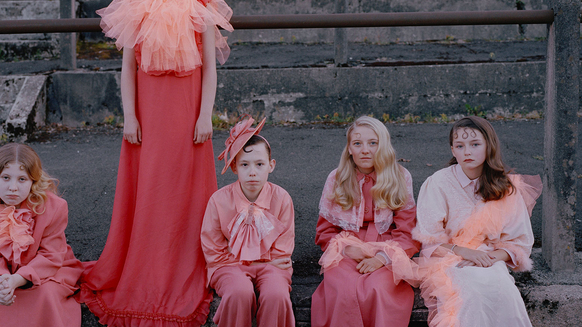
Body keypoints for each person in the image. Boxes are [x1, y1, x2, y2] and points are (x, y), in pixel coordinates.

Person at [78, 0, 233, 326]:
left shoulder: (201, 5)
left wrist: (205, 116)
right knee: (148, 189)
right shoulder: (137, 2)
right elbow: (127, 68)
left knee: (185, 191)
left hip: (187, 113)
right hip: (148, 114)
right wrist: (130, 116)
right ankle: (143, 265)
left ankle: (185, 266)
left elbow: (211, 71)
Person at [412, 116, 542, 327]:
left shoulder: (506, 187)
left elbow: (519, 242)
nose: (467, 152)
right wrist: (464, 252)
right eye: (460, 146)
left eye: (475, 144)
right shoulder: (437, 183)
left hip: (488, 257)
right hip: (449, 258)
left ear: (488, 146)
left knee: (503, 289)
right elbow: (429, 241)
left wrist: (487, 258)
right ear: (453, 150)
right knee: (468, 292)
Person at [311, 116, 420, 327]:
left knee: (377, 289)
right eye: (357, 143)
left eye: (373, 143)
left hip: (388, 248)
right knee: (344, 290)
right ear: (349, 148)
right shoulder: (337, 178)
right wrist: (346, 249)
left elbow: (407, 231)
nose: (365, 150)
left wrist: (382, 258)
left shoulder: (399, 177)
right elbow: (325, 230)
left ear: (383, 146)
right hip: (346, 246)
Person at [0, 143, 82, 327]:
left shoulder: (54, 208)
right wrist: (1, 280)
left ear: (33, 182)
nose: (12, 187)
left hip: (47, 270)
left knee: (45, 294)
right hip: (3, 272)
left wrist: (18, 280)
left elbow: (51, 254)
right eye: (5, 178)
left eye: (22, 179)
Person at [201, 117, 296, 327]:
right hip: (228, 265)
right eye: (245, 164)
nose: (252, 172)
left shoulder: (281, 199)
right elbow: (213, 250)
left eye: (259, 164)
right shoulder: (218, 201)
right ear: (234, 167)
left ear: (271, 165)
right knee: (239, 292)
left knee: (276, 295)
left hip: (271, 266)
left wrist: (263, 263)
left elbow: (282, 251)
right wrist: (252, 261)